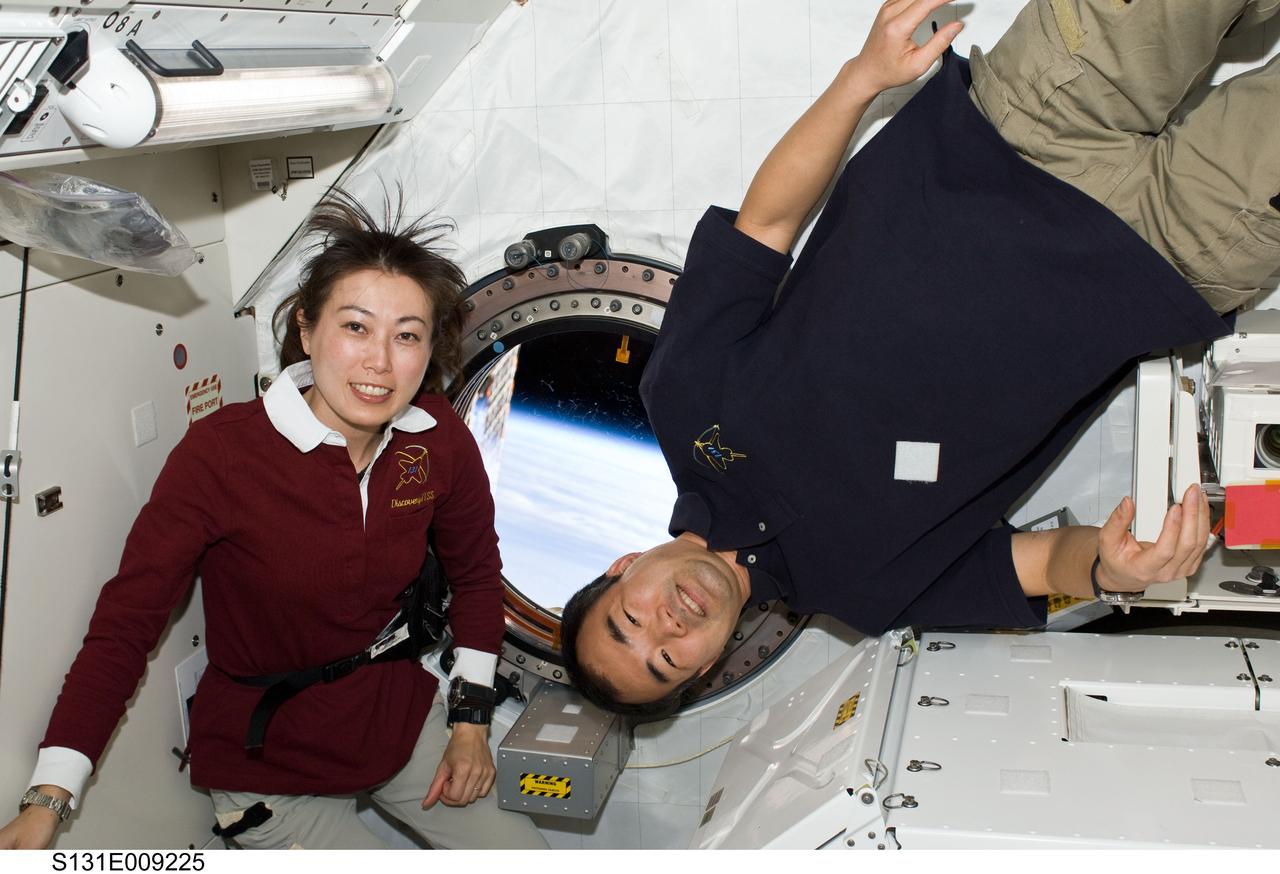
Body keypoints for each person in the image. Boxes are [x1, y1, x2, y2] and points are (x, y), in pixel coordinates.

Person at [560, 0, 1280, 715]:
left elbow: (766, 225)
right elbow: (1044, 564)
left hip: (1025, 126)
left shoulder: (682, 401)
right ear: (707, 667)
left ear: (625, 570)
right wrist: (1112, 570)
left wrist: (860, 78)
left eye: (631, 621)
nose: (666, 627)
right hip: (1169, 257)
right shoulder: (869, 594)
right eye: (665, 663)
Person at [0, 192, 548, 849]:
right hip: (269, 758)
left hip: (392, 718)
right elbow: (126, 626)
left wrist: (470, 722)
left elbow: (480, 579)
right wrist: (48, 799)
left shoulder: (439, 440)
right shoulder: (222, 455)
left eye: (406, 335)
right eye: (355, 327)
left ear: (429, 353)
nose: (379, 361)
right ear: (308, 329)